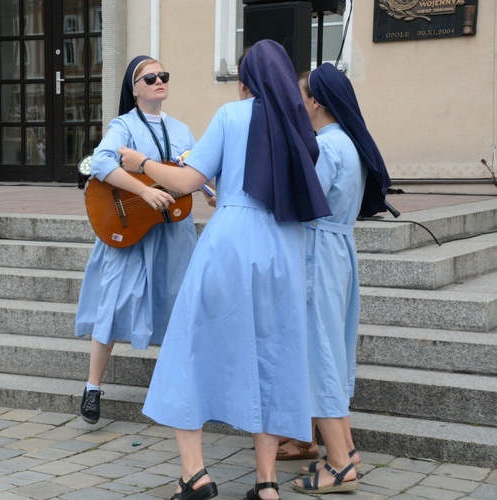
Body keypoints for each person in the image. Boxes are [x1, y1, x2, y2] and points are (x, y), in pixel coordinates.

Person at [118, 40, 332, 500]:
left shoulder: (232, 116)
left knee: (189, 348)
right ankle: (267, 483)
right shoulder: (300, 125)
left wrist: (142, 163)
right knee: (272, 355)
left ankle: (195, 475)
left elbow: (185, 181)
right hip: (285, 246)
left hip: (232, 239)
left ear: (245, 82)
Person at [74, 55, 198, 425]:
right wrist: (142, 193)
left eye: (164, 75)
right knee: (111, 301)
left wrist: (207, 188)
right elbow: (100, 164)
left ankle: (177, 386)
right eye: (150, 78)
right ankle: (93, 387)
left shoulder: (182, 129)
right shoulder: (123, 125)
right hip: (130, 228)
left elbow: (195, 170)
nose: (159, 81)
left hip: (173, 231)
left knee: (177, 303)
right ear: (134, 88)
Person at [291, 63, 392, 494]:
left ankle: (338, 465)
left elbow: (307, 202)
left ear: (316, 101)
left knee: (319, 354)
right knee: (331, 347)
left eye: (302, 96)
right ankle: (346, 449)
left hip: (319, 250)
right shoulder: (347, 142)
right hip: (338, 248)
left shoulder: (327, 146)